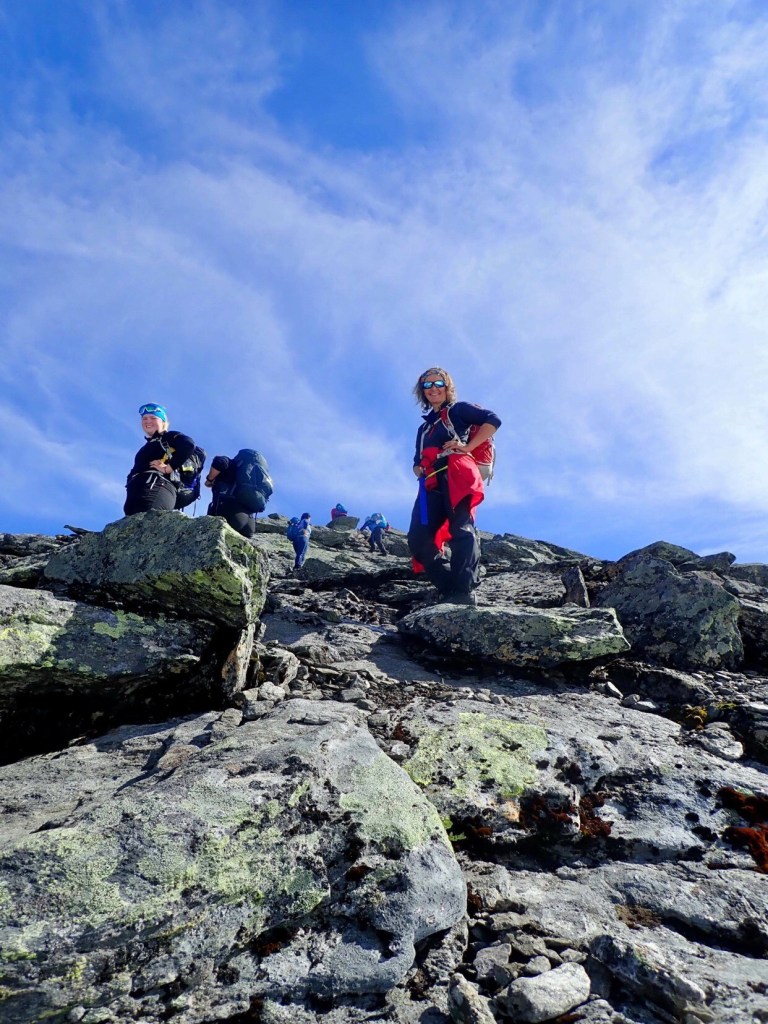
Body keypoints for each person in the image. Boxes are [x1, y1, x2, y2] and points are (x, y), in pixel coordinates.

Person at [407, 367, 501, 605]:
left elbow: (493, 420)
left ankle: (464, 590)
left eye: (438, 383)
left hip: (457, 473)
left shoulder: (457, 410)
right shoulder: (423, 429)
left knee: (461, 529)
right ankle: (450, 587)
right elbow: (416, 463)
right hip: (431, 483)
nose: (433, 388)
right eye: (427, 385)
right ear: (422, 391)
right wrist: (420, 469)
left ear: (447, 387)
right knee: (418, 539)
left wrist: (467, 447)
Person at [124, 403, 196, 516]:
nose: (148, 421)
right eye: (144, 418)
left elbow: (188, 445)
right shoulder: (149, 445)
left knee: (147, 523)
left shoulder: (168, 437)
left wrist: (168, 468)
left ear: (163, 422)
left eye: (153, 418)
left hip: (156, 488)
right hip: (138, 492)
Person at [204, 456, 256, 539]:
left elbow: (219, 462)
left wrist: (209, 480)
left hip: (229, 515)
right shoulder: (252, 476)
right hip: (249, 524)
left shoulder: (231, 464)